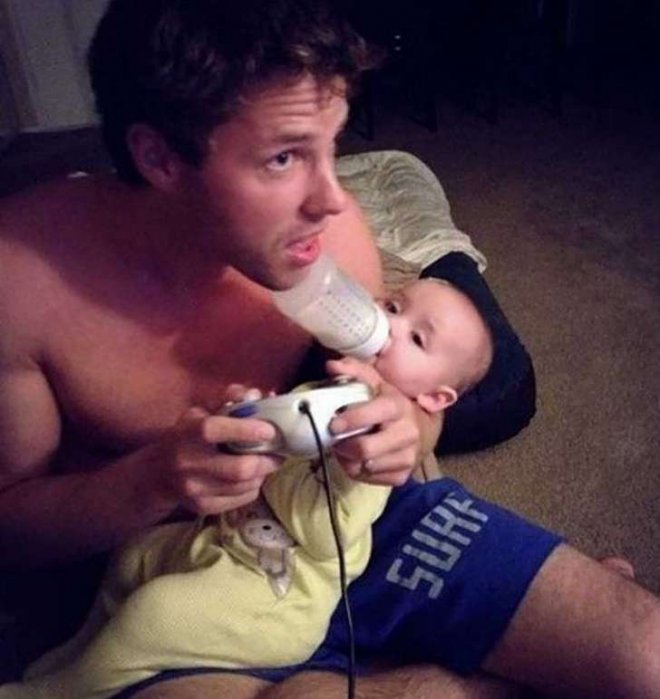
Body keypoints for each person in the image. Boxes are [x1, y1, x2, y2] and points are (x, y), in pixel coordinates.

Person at [0, 1, 657, 699]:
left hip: (348, 519)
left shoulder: (330, 245)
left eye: (332, 145)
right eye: (284, 157)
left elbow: (407, 398)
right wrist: (150, 482)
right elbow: (12, 532)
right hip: (176, 579)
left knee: (644, 657)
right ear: (159, 157)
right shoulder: (24, 284)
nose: (334, 199)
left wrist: (408, 429)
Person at [4, 278, 495, 699]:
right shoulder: (320, 392)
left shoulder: (373, 448)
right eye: (392, 306)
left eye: (416, 338)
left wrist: (294, 460)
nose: (389, 328)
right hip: (224, 540)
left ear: (435, 398)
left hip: (278, 591)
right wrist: (245, 417)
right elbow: (255, 444)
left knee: (157, 614)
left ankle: (61, 691)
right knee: (135, 557)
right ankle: (75, 655)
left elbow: (322, 536)